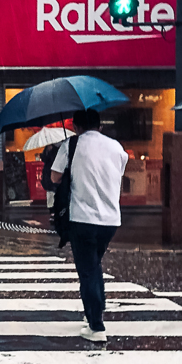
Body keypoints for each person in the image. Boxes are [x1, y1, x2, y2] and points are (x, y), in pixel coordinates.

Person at [50, 109, 128, 343]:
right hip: (110, 221)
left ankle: (96, 325)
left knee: (88, 271)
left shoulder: (71, 145)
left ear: (76, 126)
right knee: (93, 267)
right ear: (99, 126)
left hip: (82, 218)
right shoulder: (116, 148)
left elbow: (54, 177)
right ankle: (94, 313)